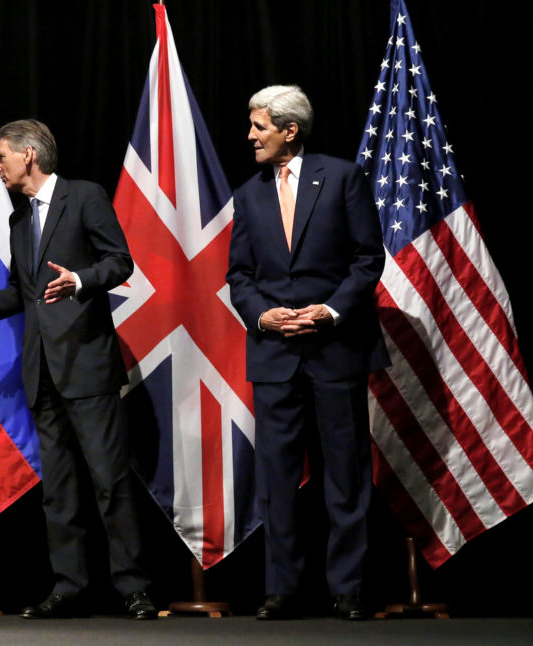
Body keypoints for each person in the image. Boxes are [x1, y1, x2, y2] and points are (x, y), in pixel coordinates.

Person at [0, 120, 155, 620]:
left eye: (2, 155)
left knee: (109, 481)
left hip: (87, 364)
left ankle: (132, 587)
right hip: (42, 370)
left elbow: (120, 261)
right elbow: (19, 292)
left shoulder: (84, 196)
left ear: (29, 155)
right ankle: (69, 586)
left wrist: (82, 280)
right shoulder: (18, 219)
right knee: (60, 489)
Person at [225, 85, 389, 620]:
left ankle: (349, 588)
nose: (250, 135)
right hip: (274, 353)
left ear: (289, 130)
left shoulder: (342, 177)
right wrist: (260, 314)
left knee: (345, 472)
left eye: (259, 126)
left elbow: (367, 259)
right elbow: (239, 275)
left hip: (335, 348)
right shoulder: (248, 194)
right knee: (276, 478)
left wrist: (328, 311)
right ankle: (283, 589)